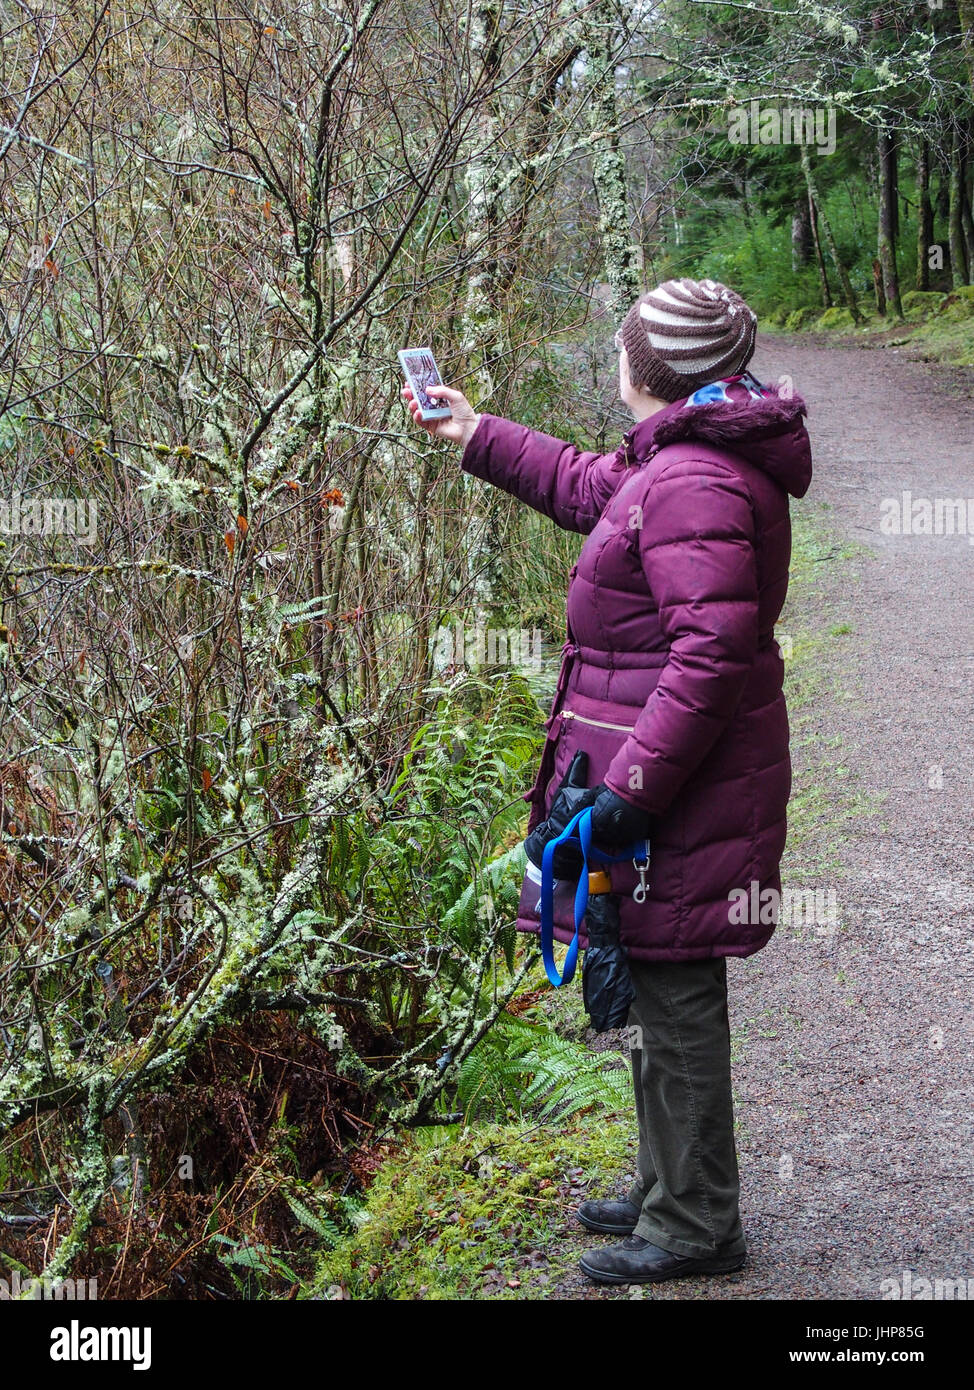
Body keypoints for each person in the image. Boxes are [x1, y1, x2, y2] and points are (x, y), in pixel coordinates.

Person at [401, 277, 813, 1285]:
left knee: (673, 994)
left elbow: (707, 653)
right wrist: (477, 432)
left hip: (676, 792)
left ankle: (696, 1221)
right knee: (647, 974)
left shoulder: (694, 479)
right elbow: (595, 488)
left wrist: (627, 792)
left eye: (625, 344)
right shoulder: (682, 457)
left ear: (650, 369)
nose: (614, 358)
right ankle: (668, 1183)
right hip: (666, 783)